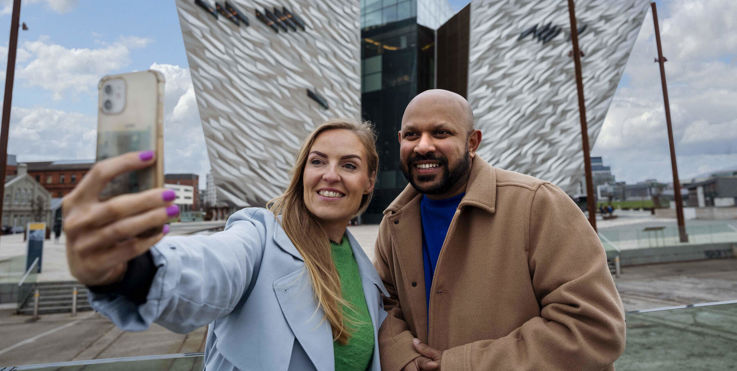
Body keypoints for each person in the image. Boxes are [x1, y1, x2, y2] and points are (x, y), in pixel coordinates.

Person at [63, 119, 387, 370]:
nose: (330, 175)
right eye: (317, 162)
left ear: (369, 181)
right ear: (302, 172)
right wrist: (133, 267)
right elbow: (212, 266)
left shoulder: (366, 272)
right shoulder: (259, 235)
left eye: (348, 165)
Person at [374, 90, 626, 370]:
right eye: (411, 135)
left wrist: (460, 365)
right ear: (399, 141)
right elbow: (383, 307)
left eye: (441, 133)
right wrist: (404, 358)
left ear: (472, 142)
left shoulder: (538, 204)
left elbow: (593, 329)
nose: (423, 146)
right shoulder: (394, 221)